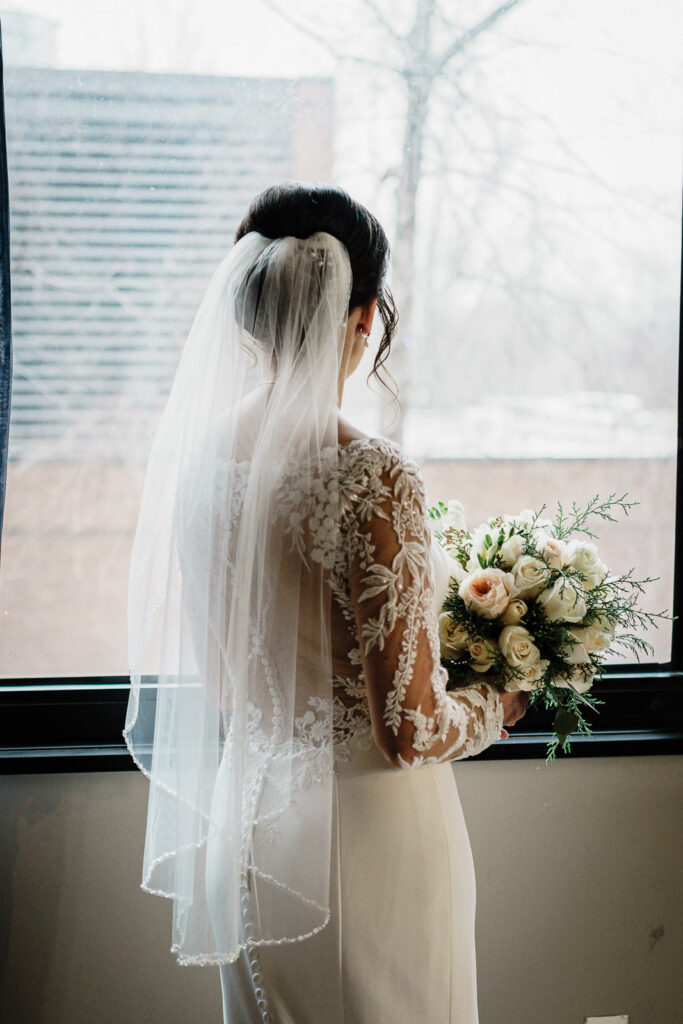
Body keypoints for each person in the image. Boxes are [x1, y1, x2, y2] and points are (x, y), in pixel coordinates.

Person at [124, 181, 529, 1024]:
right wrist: (505, 696)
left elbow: (232, 687)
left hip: (250, 828)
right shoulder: (370, 474)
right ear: (364, 316)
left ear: (248, 319)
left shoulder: (199, 465)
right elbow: (409, 729)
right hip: (368, 841)